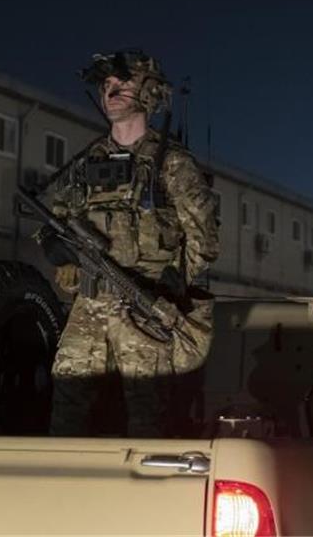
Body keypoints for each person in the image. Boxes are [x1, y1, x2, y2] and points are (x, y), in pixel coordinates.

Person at [39, 49, 219, 436]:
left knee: (147, 414)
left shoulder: (171, 163)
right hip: (90, 303)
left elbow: (203, 240)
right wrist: (63, 257)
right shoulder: (86, 163)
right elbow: (48, 218)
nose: (112, 90)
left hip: (143, 303)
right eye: (106, 85)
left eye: (123, 83)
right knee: (67, 405)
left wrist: (170, 287)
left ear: (150, 94)